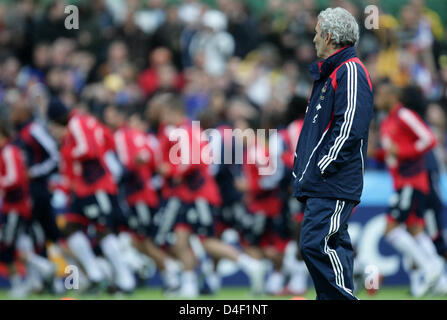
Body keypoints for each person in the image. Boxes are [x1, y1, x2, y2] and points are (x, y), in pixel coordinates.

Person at [291, 7, 374, 300]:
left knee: (316, 243)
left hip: (333, 180)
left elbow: (351, 124)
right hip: (322, 181)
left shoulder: (350, 69)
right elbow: (314, 133)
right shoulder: (330, 74)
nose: (313, 38)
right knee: (328, 243)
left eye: (316, 32)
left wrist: (322, 166)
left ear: (328, 36)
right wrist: (301, 168)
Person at [374, 80, 445, 297]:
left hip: (412, 180)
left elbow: (429, 139)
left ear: (392, 96)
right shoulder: (386, 121)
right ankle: (438, 277)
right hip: (400, 181)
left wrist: (403, 151)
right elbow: (391, 153)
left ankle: (430, 266)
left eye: (381, 94)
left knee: (391, 229)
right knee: (415, 228)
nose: (378, 98)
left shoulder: (404, 115)